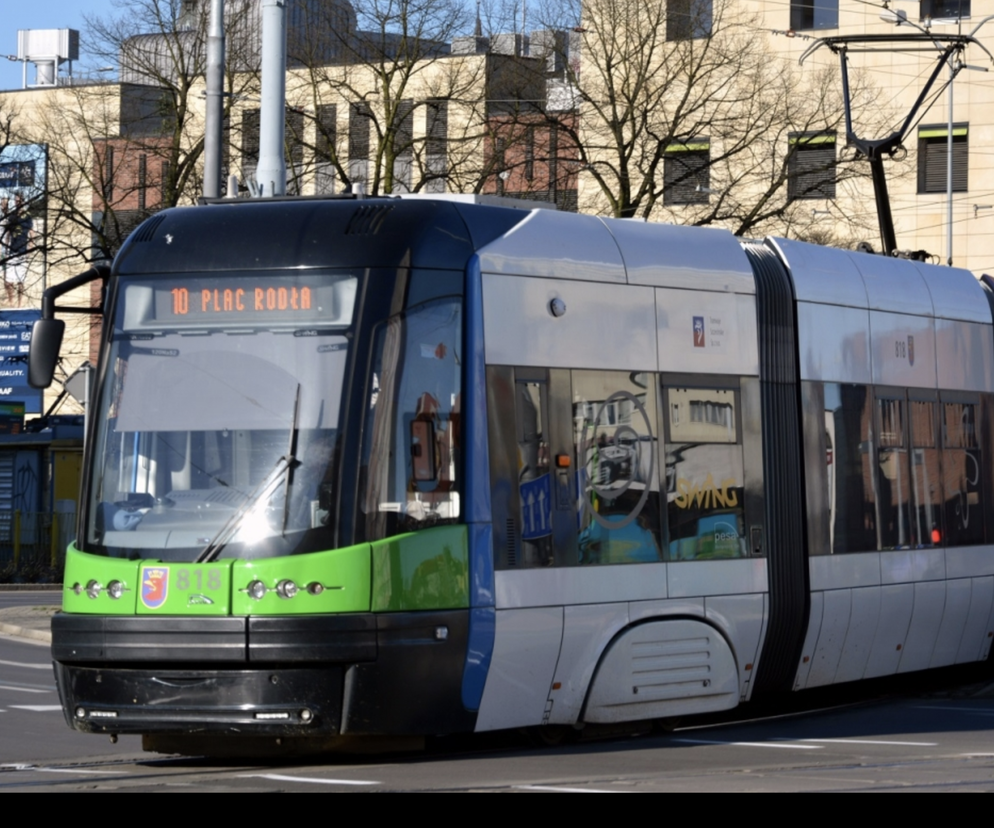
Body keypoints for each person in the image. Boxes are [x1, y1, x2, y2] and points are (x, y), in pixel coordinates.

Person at [3, 193, 32, 307]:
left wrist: (30, 248)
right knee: (8, 281)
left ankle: (20, 304)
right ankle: (11, 301)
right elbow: (8, 233)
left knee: (21, 281)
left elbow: (31, 232)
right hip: (12, 251)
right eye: (15, 201)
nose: (17, 203)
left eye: (19, 201)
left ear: (23, 202)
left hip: (23, 251)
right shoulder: (12, 215)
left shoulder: (27, 216)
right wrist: (6, 250)